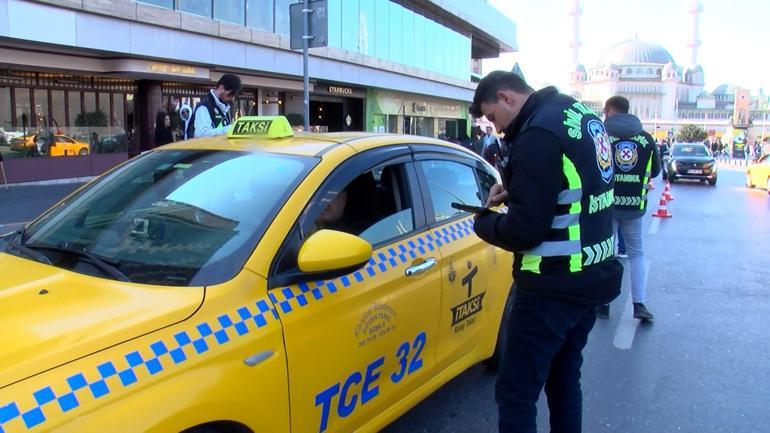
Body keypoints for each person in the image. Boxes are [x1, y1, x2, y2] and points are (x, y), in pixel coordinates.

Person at [470, 71, 622, 433]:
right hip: (594, 272)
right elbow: (570, 180)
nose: (496, 128)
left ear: (506, 98)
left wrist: (482, 223)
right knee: (564, 378)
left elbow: (525, 230)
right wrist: (514, 188)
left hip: (552, 284)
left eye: (493, 117)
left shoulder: (537, 133)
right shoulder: (575, 113)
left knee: (516, 393)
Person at [597, 96, 660, 321]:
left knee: (606, 253)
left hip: (606, 206)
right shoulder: (646, 138)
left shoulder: (602, 137)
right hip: (635, 207)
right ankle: (639, 304)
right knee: (636, 254)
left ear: (611, 112)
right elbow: (655, 172)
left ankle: (603, 304)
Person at [187, 74, 241, 138]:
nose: (232, 99)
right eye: (230, 94)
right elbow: (201, 135)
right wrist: (230, 129)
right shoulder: (204, 107)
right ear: (221, 88)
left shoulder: (223, 108)